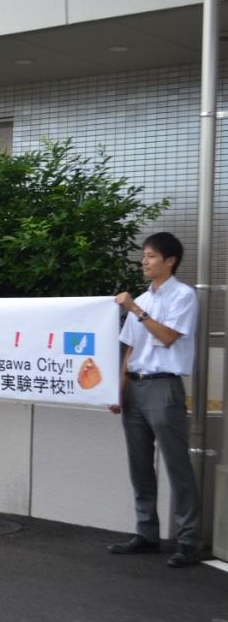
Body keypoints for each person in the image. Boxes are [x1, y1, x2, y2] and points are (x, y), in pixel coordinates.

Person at [109, 232, 203, 568]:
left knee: (177, 465)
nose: (144, 262)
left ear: (170, 260)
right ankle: (146, 532)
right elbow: (129, 349)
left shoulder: (183, 296)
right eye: (144, 256)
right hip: (135, 386)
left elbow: (167, 336)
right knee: (139, 466)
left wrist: (135, 309)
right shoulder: (144, 299)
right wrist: (117, 389)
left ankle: (189, 540)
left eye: (150, 256)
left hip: (164, 387)